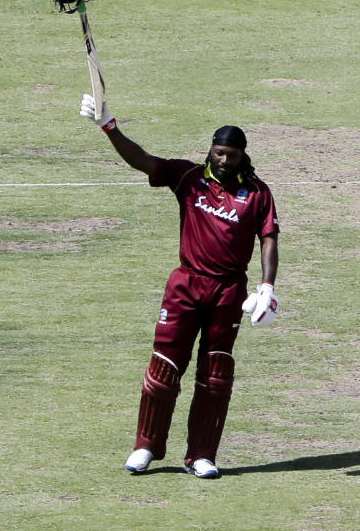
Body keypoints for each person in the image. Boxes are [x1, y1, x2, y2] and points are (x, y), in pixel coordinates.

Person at [78, 93, 281, 479]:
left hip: (228, 292)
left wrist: (267, 286)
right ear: (211, 150)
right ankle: (145, 447)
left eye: (231, 155)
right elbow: (143, 161)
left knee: (216, 373)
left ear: (242, 156)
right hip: (186, 285)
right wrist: (109, 127)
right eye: (218, 153)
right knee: (164, 368)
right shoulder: (188, 179)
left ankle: (202, 455)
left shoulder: (257, 193)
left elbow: (268, 238)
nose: (223, 161)